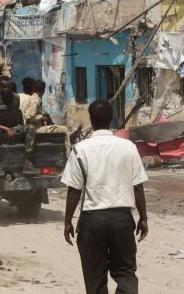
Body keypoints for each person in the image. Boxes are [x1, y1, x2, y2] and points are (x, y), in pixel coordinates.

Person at [62, 99, 148, 294]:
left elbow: (74, 190)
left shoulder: (80, 149)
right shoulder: (128, 147)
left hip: (92, 221)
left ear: (91, 119)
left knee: (95, 279)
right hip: (121, 219)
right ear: (112, 119)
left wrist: (67, 221)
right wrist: (143, 217)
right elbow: (138, 187)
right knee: (126, 273)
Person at [0, 78, 38, 177]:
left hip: (14, 127)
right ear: (0, 87)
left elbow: (17, 113)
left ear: (11, 87)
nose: (6, 89)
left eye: (8, 87)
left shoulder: (16, 97)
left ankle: (28, 163)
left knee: (31, 128)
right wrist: (7, 129)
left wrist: (19, 126)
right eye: (3, 87)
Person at [25, 80, 71, 157]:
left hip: (32, 128)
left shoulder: (29, 98)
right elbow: (29, 116)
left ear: (34, 88)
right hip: (36, 129)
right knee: (65, 129)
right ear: (43, 90)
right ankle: (68, 156)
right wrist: (42, 117)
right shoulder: (35, 100)